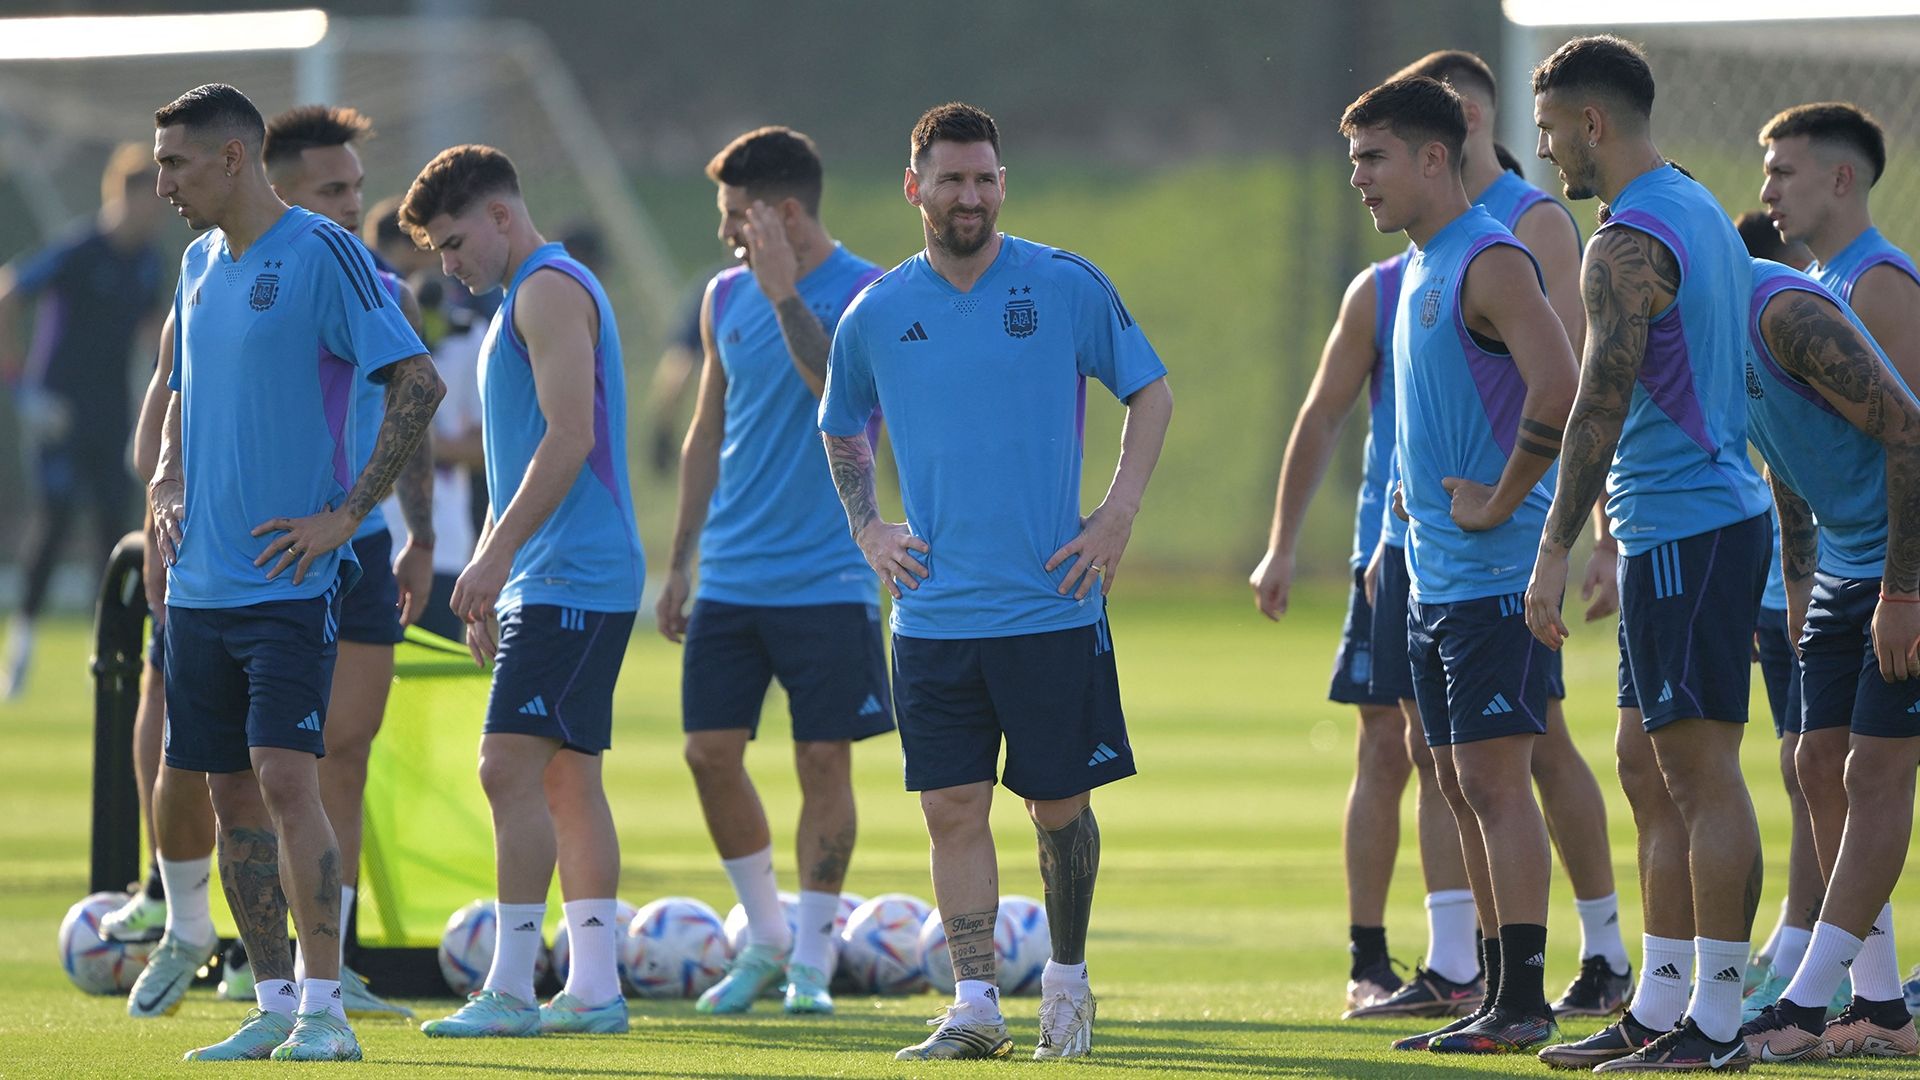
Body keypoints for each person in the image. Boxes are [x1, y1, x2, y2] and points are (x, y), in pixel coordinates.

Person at [820, 102, 1172, 1061]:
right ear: (915, 187)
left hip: (1049, 604)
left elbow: (1150, 389)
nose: (968, 195)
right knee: (950, 809)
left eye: (983, 179)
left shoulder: (1063, 286)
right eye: (950, 179)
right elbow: (840, 423)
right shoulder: (878, 311)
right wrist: (868, 528)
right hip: (932, 612)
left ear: (1001, 185)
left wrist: (1116, 514)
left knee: (1058, 807)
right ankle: (975, 1004)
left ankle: (1065, 981)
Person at [148, 83, 442, 1061]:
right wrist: (167, 487)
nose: (162, 184)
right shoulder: (196, 265)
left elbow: (417, 380)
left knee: (285, 777)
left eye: (176, 164)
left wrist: (347, 516)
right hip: (199, 588)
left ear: (233, 159)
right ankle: (273, 1003)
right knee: (230, 792)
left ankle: (326, 1009)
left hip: (286, 582)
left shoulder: (324, 254)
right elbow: (184, 397)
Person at [1343, 52, 1628, 1034]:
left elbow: (1564, 388)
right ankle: (1494, 994)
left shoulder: (1489, 256)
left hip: (1494, 578)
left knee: (1499, 786)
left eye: (1373, 158)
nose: (1359, 177)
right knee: (1459, 782)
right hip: (1432, 579)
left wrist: (1503, 499)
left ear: (1434, 157)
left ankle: (1522, 1000)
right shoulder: (1418, 264)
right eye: (1352, 160)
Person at [1523, 37, 1774, 1073]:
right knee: (1644, 763)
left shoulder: (1625, 238)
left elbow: (1601, 400)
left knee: (1700, 771)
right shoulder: (1697, 204)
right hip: (1679, 522)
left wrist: (1554, 544)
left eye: (1548, 132)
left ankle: (1716, 1025)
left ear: (1592, 124)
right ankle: (1660, 1001)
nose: (1545, 155)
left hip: (1695, 525)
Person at [401, 144, 644, 1038]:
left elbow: (570, 437)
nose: (450, 266)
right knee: (566, 781)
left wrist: (495, 558)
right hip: (555, 577)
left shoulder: (546, 289)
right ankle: (593, 989)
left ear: (501, 216)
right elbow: (528, 454)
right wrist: (506, 583)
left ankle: (509, 987)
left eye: (456, 242)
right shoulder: (522, 300)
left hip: (574, 574)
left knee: (505, 766)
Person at [655, 126, 892, 1017]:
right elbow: (705, 433)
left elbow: (846, 396)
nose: (726, 235)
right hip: (730, 574)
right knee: (709, 754)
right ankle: (766, 938)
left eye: (735, 216)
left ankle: (816, 962)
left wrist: (787, 293)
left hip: (830, 575)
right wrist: (678, 563)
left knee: (822, 760)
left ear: (783, 212)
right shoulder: (723, 295)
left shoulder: (870, 292)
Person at [1739, 100, 1920, 1057]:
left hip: (1900, 571)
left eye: (1783, 173)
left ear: (1842, 179)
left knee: (1870, 770)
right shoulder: (1798, 290)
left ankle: (1809, 1001)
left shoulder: (1879, 286)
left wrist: (1904, 590)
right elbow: (1790, 458)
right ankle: (1881, 1005)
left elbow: (1915, 443)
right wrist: (1804, 573)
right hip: (1847, 569)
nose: (1765, 191)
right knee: (1817, 763)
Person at [261, 103, 433, 1021]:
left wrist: (421, 540)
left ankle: (335, 960)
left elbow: (403, 418)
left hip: (359, 552)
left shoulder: (381, 290)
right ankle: (244, 955)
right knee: (262, 765)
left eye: (357, 188)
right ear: (275, 186)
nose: (353, 206)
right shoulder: (231, 275)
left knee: (344, 755)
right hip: (264, 554)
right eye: (334, 189)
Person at [0, 142, 168, 699]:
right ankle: (20, 647)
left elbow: (153, 338)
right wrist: (20, 388)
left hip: (110, 414)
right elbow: (8, 293)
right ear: (124, 195)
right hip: (59, 414)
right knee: (53, 524)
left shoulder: (149, 260)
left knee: (111, 534)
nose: (157, 208)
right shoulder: (79, 250)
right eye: (149, 198)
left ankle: (114, 657)